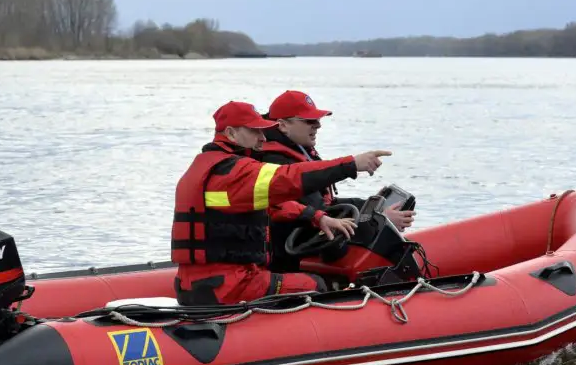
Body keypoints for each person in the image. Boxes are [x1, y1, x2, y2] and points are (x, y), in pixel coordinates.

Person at [171, 100, 392, 306]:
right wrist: (352, 164)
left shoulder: (205, 168)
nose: (263, 138)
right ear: (231, 133)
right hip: (231, 286)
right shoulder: (235, 172)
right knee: (317, 284)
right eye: (255, 131)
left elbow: (274, 205)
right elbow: (289, 178)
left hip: (194, 284)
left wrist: (317, 217)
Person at [258, 90, 416, 273]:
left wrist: (371, 207)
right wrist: (381, 220)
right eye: (309, 121)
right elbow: (321, 218)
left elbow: (326, 204)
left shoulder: (296, 150)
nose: (317, 126)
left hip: (302, 249)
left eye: (318, 120)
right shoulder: (276, 162)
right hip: (288, 262)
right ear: (283, 125)